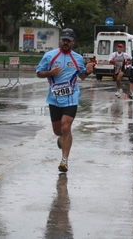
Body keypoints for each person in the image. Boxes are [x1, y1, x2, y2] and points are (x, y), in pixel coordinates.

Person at [36, 28, 94, 173]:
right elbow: (39, 73)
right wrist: (50, 73)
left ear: (73, 42)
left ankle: (64, 161)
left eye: (68, 40)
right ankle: (61, 138)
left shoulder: (78, 58)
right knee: (58, 130)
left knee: (66, 126)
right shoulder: (50, 56)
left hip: (71, 97)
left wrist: (87, 71)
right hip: (54, 98)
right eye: (63, 39)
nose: (65, 42)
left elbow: (82, 76)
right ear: (60, 40)